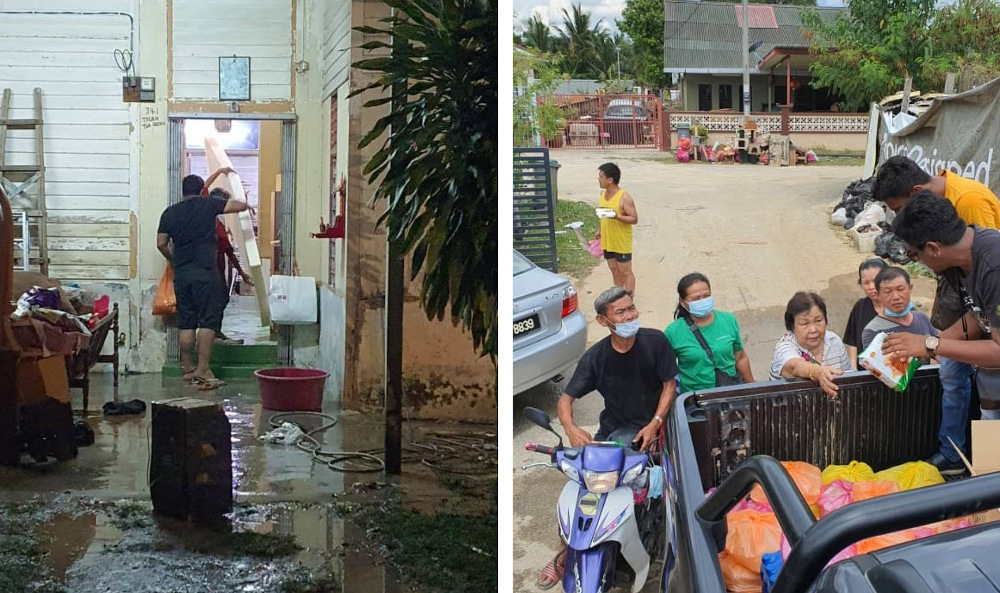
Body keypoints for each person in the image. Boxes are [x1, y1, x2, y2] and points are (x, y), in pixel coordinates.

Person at [535, 286, 678, 590]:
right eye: (621, 312)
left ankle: (669, 548)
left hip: (656, 428)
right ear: (603, 321)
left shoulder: (656, 342)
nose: (630, 316)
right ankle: (564, 553)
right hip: (612, 433)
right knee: (579, 491)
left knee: (667, 491)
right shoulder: (596, 357)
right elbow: (565, 400)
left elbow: (669, 384)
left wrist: (655, 422)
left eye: (631, 308)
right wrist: (571, 428)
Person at [871, 156, 1000, 475]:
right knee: (988, 472)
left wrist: (930, 345)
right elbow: (978, 315)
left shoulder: (993, 265)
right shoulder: (967, 258)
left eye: (914, 256)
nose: (917, 262)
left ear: (933, 248)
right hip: (993, 390)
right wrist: (920, 346)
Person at [157, 172, 250, 390]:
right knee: (208, 321)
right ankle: (204, 370)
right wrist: (243, 198)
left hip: (183, 276)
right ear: (201, 191)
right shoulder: (208, 205)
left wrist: (175, 260)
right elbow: (239, 205)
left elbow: (161, 243)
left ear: (183, 191)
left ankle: (188, 370)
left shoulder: (169, 212)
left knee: (186, 322)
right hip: (206, 274)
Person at [664, 273, 754, 393]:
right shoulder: (673, 332)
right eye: (696, 299)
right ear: (683, 302)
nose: (703, 301)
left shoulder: (728, 320)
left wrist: (752, 388)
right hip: (696, 399)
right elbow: (667, 371)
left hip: (730, 390)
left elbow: (740, 357)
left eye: (706, 296)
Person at [770, 291, 853, 398]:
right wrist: (817, 371)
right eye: (805, 323)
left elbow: (849, 378)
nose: (813, 329)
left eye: (818, 320)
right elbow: (794, 367)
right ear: (792, 326)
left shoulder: (834, 341)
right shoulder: (784, 347)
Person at [860, 266, 937, 351]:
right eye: (888, 292)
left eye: (900, 289)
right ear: (878, 295)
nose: (896, 297)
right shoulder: (873, 330)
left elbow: (940, 353)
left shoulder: (922, 319)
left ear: (910, 288)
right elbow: (873, 363)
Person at [594, 163, 638, 292]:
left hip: (621, 241)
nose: (598, 179)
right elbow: (603, 216)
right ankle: (619, 294)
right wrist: (600, 230)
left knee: (625, 271)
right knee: (614, 269)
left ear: (610, 180)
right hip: (608, 240)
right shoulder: (602, 195)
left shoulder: (624, 197)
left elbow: (634, 219)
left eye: (601, 177)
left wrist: (617, 217)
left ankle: (629, 297)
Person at [843, 259, 887, 368]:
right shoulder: (860, 307)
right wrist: (853, 369)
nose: (871, 287)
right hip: (865, 373)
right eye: (866, 283)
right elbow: (852, 341)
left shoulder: (900, 307)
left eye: (876, 280)